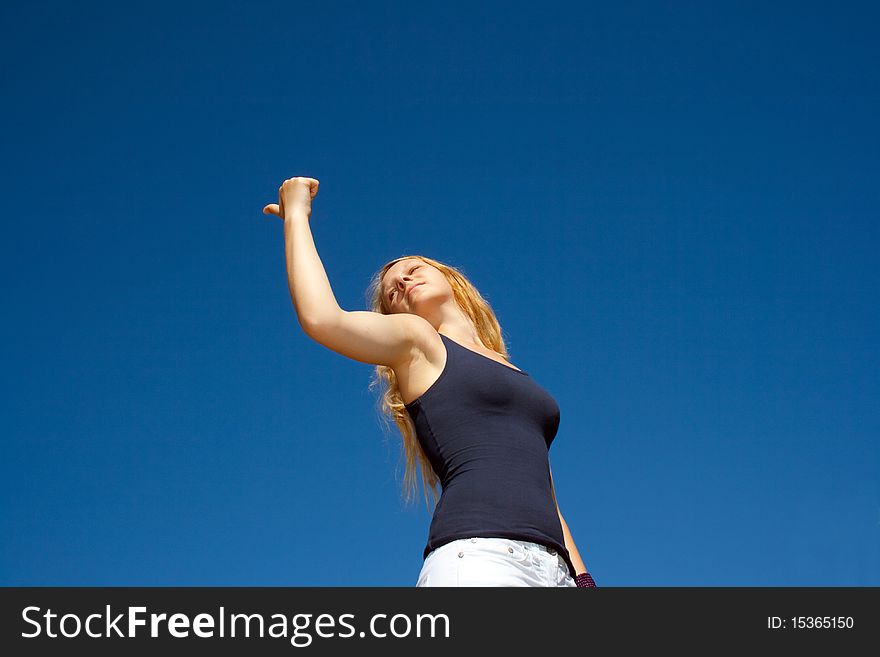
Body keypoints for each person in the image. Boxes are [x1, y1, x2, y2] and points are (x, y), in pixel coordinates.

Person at [263, 176, 597, 588]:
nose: (402, 280)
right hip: (482, 559)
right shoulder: (420, 344)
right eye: (392, 293)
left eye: (412, 269)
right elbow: (322, 319)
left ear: (449, 278)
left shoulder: (510, 370)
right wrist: (296, 214)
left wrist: (582, 580)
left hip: (555, 571)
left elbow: (544, 489)